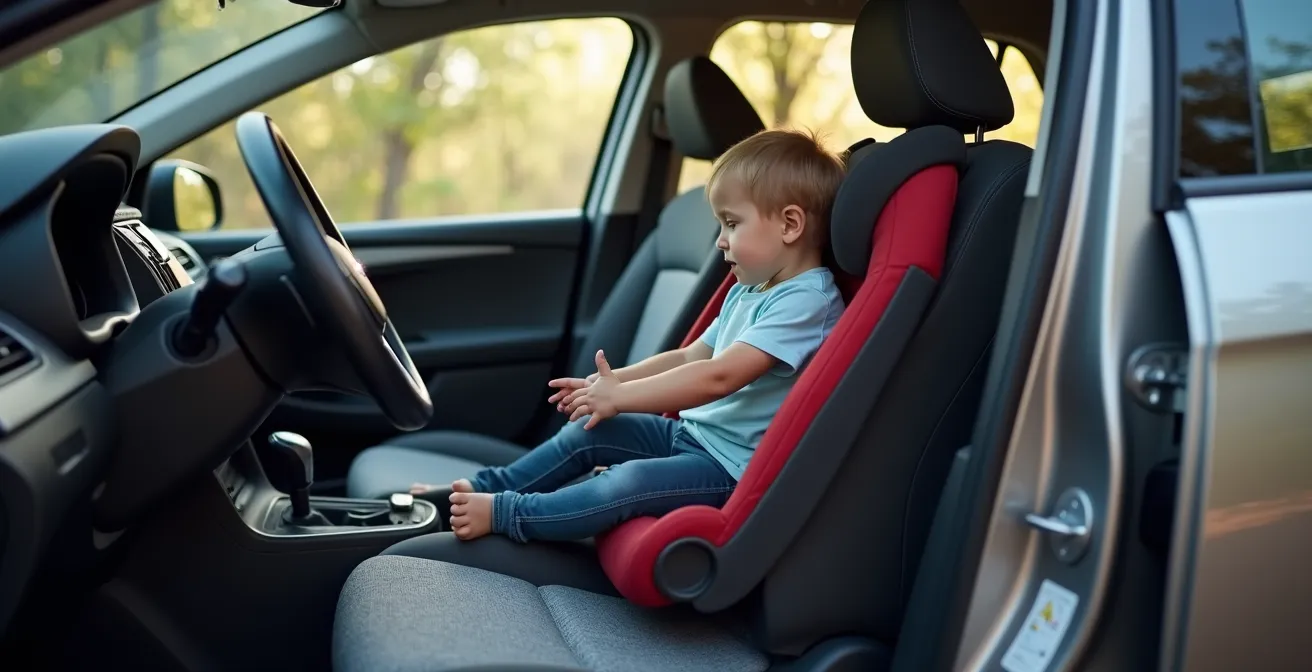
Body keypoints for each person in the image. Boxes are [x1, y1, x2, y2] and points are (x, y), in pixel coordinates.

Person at [416, 128, 847, 542]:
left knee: (626, 482)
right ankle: (480, 489)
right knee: (588, 430)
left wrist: (621, 398)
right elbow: (689, 357)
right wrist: (612, 382)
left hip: (729, 468)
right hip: (693, 438)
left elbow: (720, 376)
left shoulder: (807, 302)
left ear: (790, 224)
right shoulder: (751, 289)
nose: (720, 241)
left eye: (731, 224)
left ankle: (509, 514)